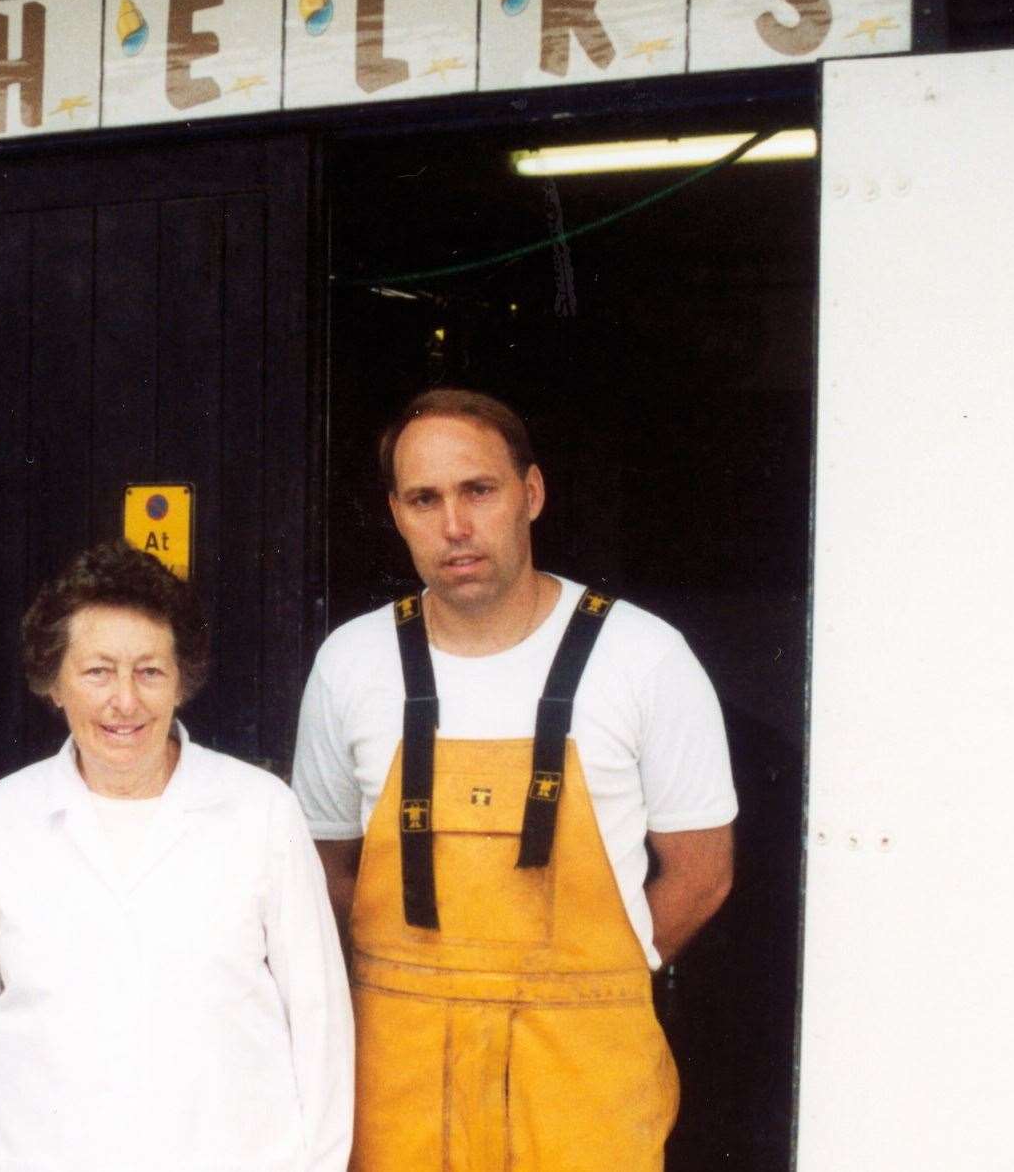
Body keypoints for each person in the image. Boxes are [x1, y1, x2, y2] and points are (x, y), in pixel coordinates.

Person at [291, 388, 737, 1171]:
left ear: (530, 493)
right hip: (399, 1074)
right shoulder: (350, 663)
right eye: (424, 499)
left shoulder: (644, 657)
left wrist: (588, 986)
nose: (454, 526)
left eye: (478, 491)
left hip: (581, 1073)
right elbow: (325, 867)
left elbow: (701, 874)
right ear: (395, 512)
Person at [0, 541, 353, 1172]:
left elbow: (320, 1022)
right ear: (53, 684)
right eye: (97, 671)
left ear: (181, 681)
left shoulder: (260, 813)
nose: (125, 701)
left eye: (149, 671)